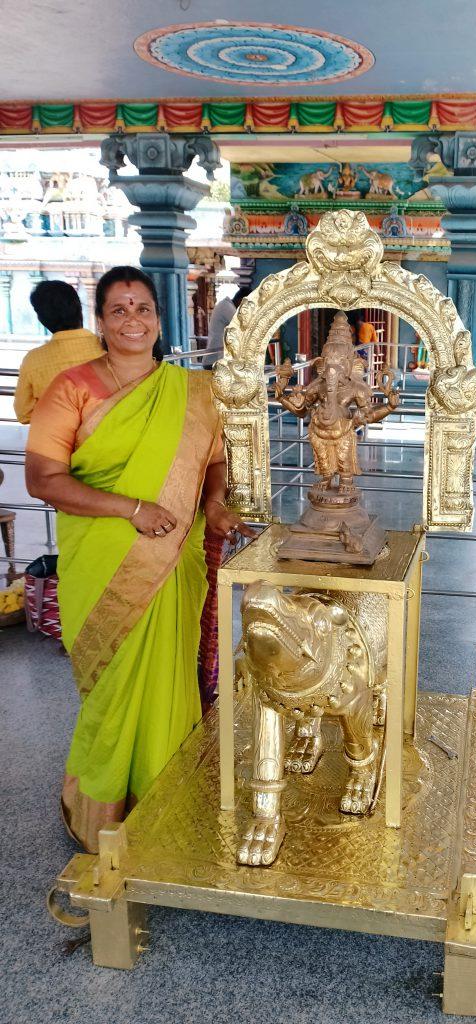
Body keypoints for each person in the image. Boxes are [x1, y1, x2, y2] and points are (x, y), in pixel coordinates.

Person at [25, 266, 254, 853]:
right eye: (119, 310)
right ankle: (99, 810)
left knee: (172, 676)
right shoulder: (71, 388)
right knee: (112, 685)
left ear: (159, 318)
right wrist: (130, 508)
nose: (133, 320)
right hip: (103, 561)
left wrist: (217, 505)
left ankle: (165, 801)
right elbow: (43, 478)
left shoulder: (194, 391)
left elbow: (214, 462)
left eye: (144, 308)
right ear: (100, 322)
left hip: (173, 562)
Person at [14, 280, 103, 423]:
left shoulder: (33, 360)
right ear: (79, 308)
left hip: (56, 441)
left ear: (42, 319)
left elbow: (24, 413)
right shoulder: (108, 348)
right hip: (106, 440)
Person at [202, 286, 251, 369]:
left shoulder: (227, 306)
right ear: (242, 300)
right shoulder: (227, 307)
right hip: (215, 361)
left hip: (219, 359)